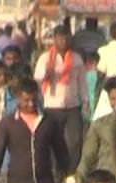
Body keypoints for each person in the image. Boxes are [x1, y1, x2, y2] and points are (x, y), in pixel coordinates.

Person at [34, 26, 87, 168]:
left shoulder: (76, 58)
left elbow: (82, 81)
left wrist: (86, 101)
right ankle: (56, 174)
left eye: (66, 37)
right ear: (54, 39)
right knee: (53, 142)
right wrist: (48, 74)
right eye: (60, 38)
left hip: (73, 106)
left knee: (75, 142)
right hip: (51, 107)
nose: (63, 41)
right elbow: (37, 82)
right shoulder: (45, 58)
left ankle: (71, 172)